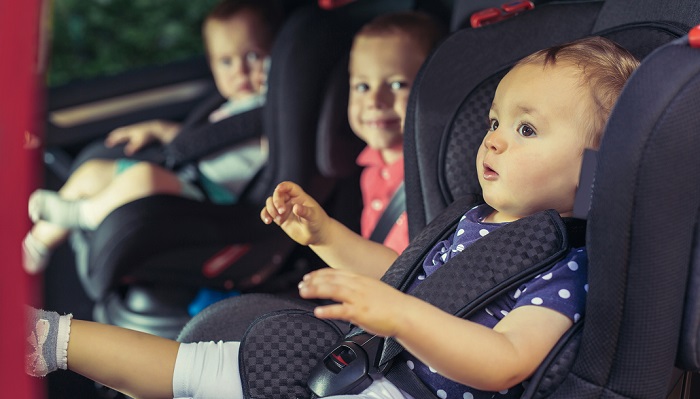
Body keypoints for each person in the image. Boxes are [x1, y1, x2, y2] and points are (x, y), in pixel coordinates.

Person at [25, 36, 640, 399]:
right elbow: (398, 273)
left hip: (408, 392)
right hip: (364, 360)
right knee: (194, 368)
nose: (496, 140)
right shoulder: (471, 220)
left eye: (526, 128)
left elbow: (507, 359)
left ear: (599, 166)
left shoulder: (568, 270)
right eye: (496, 122)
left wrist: (402, 318)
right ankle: (49, 339)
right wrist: (324, 235)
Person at [22, 0, 282, 274]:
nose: (240, 71)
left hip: (215, 200)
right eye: (226, 61)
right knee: (91, 173)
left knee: (144, 176)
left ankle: (79, 214)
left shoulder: (273, 107)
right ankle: (37, 243)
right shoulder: (227, 106)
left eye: (253, 56)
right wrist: (158, 129)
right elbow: (202, 140)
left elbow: (277, 151)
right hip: (189, 175)